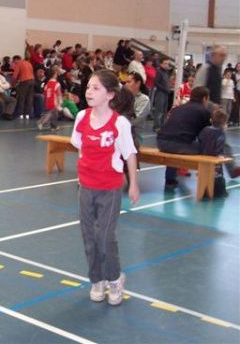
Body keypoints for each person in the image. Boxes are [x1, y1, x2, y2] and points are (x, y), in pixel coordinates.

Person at [71, 69, 139, 306]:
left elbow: (129, 154)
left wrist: (133, 185)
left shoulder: (119, 123)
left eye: (96, 88)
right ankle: (96, 279)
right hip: (85, 187)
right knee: (89, 235)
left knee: (105, 236)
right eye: (88, 87)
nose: (89, 91)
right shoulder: (81, 118)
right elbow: (79, 146)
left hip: (109, 188)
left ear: (110, 94)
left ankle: (114, 278)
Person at [156, 87, 211, 189]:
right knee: (209, 147)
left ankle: (170, 179)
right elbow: (207, 134)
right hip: (179, 145)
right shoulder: (204, 111)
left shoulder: (179, 108)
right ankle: (210, 182)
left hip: (161, 142)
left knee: (175, 145)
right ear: (204, 99)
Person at [198, 109, 228, 198]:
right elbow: (220, 144)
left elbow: (200, 139)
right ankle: (220, 192)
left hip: (204, 156)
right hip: (214, 158)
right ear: (224, 122)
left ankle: (205, 190)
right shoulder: (221, 132)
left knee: (205, 174)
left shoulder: (205, 129)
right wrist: (220, 155)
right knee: (218, 175)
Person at [36, 66, 62, 131]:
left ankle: (53, 126)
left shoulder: (47, 84)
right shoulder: (56, 84)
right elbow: (58, 94)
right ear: (55, 74)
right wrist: (60, 102)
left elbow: (44, 92)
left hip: (48, 100)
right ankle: (41, 122)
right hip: (54, 101)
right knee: (51, 114)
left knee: (53, 114)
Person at [11, 55, 34, 119]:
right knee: (29, 98)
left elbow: (14, 76)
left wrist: (12, 85)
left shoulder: (18, 64)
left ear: (16, 60)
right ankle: (29, 115)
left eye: (14, 62)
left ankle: (20, 114)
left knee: (22, 98)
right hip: (32, 81)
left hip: (24, 82)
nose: (14, 64)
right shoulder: (28, 63)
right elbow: (31, 72)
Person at [152, 57, 170, 131]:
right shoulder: (159, 72)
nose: (166, 65)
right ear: (161, 64)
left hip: (165, 93)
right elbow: (156, 83)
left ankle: (163, 126)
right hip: (160, 93)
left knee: (164, 111)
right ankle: (157, 126)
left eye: (167, 64)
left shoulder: (166, 72)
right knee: (159, 111)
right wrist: (164, 89)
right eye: (165, 63)